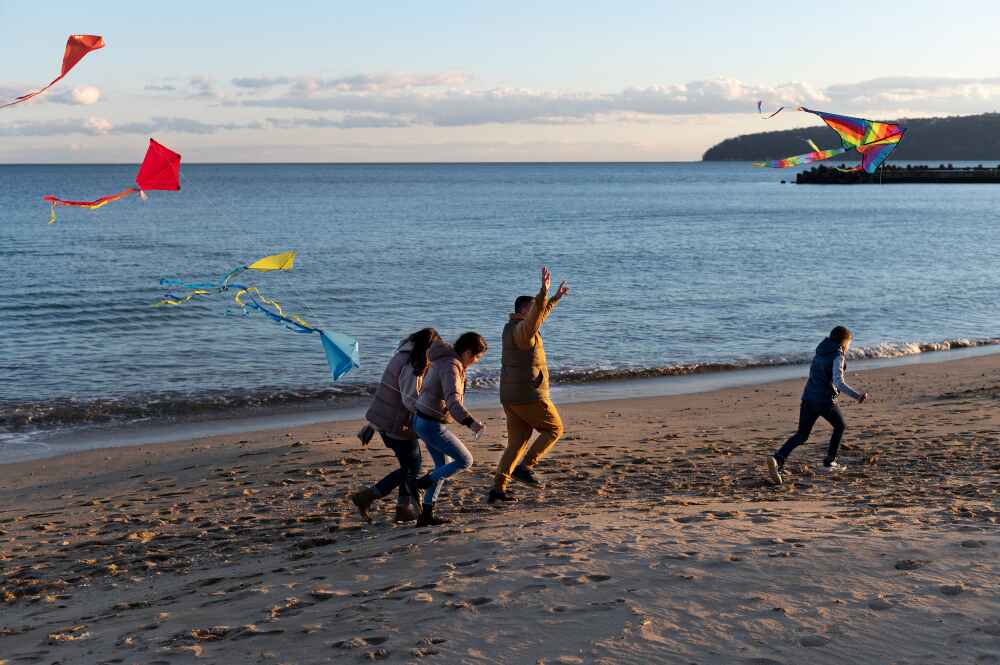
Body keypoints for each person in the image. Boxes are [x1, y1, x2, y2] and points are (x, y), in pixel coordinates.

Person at [489, 266, 568, 504]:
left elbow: (538, 317)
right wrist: (543, 292)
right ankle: (525, 467)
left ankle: (497, 490)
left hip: (510, 396)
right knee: (555, 429)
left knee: (516, 444)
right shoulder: (522, 332)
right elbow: (535, 317)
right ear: (524, 310)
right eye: (533, 308)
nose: (536, 311)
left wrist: (554, 299)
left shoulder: (514, 327)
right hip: (528, 395)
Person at [351, 328, 440, 523]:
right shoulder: (413, 362)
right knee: (411, 469)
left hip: (385, 421)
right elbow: (410, 399)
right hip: (397, 425)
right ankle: (368, 496)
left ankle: (403, 508)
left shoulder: (401, 356)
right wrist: (431, 413)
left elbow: (387, 394)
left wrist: (372, 425)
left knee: (409, 466)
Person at [767, 326, 869, 485]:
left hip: (808, 398)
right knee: (840, 426)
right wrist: (857, 396)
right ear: (844, 342)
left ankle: (778, 458)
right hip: (824, 401)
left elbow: (817, 377)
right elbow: (838, 382)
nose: (849, 346)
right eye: (849, 343)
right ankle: (830, 462)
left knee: (802, 435)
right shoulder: (838, 356)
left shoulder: (820, 351)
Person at [412, 332, 488, 526]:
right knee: (465, 460)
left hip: (421, 420)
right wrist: (472, 423)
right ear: (468, 352)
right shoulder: (451, 366)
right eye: (477, 357)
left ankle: (426, 514)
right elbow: (453, 401)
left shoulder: (443, 359)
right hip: (431, 424)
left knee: (442, 467)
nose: (476, 361)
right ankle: (421, 483)